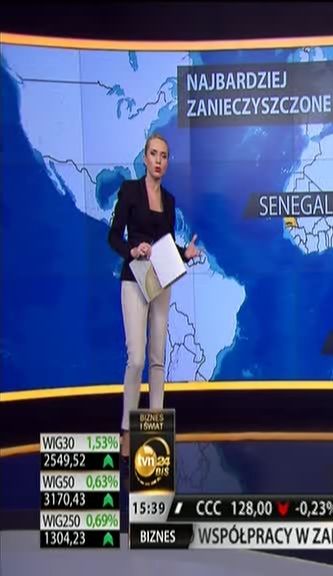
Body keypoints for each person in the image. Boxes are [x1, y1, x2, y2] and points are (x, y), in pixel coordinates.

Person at [107, 133, 201, 462]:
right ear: (145, 158)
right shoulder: (130, 191)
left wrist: (185, 253)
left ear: (167, 162)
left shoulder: (169, 201)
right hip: (134, 279)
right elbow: (113, 236)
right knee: (136, 358)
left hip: (160, 280)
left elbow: (167, 245)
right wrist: (133, 250)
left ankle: (155, 432)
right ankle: (126, 430)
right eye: (153, 154)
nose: (158, 161)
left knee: (158, 359)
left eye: (163, 156)